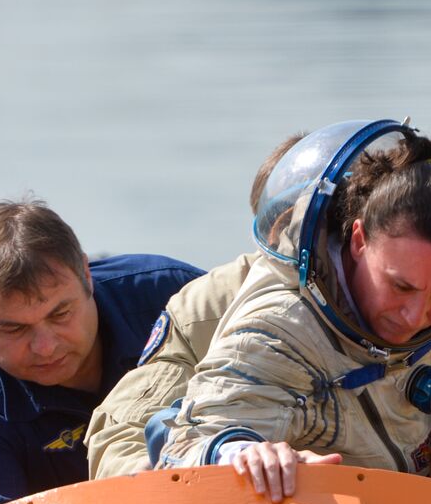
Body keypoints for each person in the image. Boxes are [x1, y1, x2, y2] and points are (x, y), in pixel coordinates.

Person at [159, 120, 431, 504]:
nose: (416, 315)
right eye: (401, 286)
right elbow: (186, 447)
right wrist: (241, 453)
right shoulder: (281, 327)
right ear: (358, 240)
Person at [0, 198, 201, 504]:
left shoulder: (175, 299)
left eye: (60, 313)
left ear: (86, 274)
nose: (45, 347)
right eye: (13, 328)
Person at [86, 132, 304, 479]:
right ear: (270, 230)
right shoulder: (209, 306)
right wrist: (189, 463)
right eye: (293, 225)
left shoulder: (412, 293)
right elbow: (123, 437)